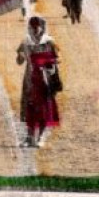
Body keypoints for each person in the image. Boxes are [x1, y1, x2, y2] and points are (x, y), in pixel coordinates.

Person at [15, 16, 60, 149]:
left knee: (44, 108)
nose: (35, 30)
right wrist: (20, 56)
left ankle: (40, 137)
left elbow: (57, 58)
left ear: (42, 27)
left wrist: (50, 65)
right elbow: (19, 62)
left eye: (37, 27)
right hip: (30, 79)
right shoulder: (26, 42)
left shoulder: (49, 42)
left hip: (44, 80)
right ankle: (29, 137)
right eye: (32, 27)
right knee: (30, 108)